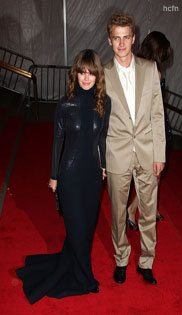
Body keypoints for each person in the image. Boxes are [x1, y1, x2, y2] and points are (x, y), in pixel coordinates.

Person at [16, 49, 111, 304]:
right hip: (69, 175)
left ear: (97, 75)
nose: (86, 77)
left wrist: (103, 166)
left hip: (92, 175)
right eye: (82, 72)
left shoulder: (105, 102)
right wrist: (54, 176)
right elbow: (57, 140)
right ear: (76, 74)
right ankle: (84, 278)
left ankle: (71, 264)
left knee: (85, 229)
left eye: (91, 72)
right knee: (76, 226)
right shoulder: (65, 103)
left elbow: (102, 137)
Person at [104, 13, 166, 285]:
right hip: (116, 154)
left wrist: (160, 155)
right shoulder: (102, 75)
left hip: (147, 152)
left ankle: (146, 261)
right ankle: (121, 259)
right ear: (110, 40)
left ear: (133, 38)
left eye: (125, 37)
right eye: (116, 38)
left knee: (148, 211)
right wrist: (99, 159)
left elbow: (157, 115)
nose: (121, 43)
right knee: (118, 214)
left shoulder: (149, 69)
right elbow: (98, 120)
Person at [127, 31, 172, 230]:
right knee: (152, 174)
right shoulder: (154, 72)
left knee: (154, 174)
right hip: (154, 129)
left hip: (143, 127)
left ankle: (151, 209)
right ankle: (132, 209)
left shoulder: (134, 65)